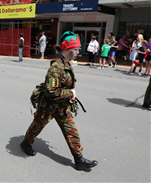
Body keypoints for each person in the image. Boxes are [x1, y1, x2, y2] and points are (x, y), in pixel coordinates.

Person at [20, 31, 98, 171]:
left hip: (61, 107)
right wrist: (70, 92)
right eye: (76, 49)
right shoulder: (56, 67)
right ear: (67, 49)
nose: (78, 51)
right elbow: (51, 91)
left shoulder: (66, 63)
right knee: (36, 127)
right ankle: (26, 143)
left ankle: (79, 159)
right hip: (48, 107)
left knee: (71, 131)